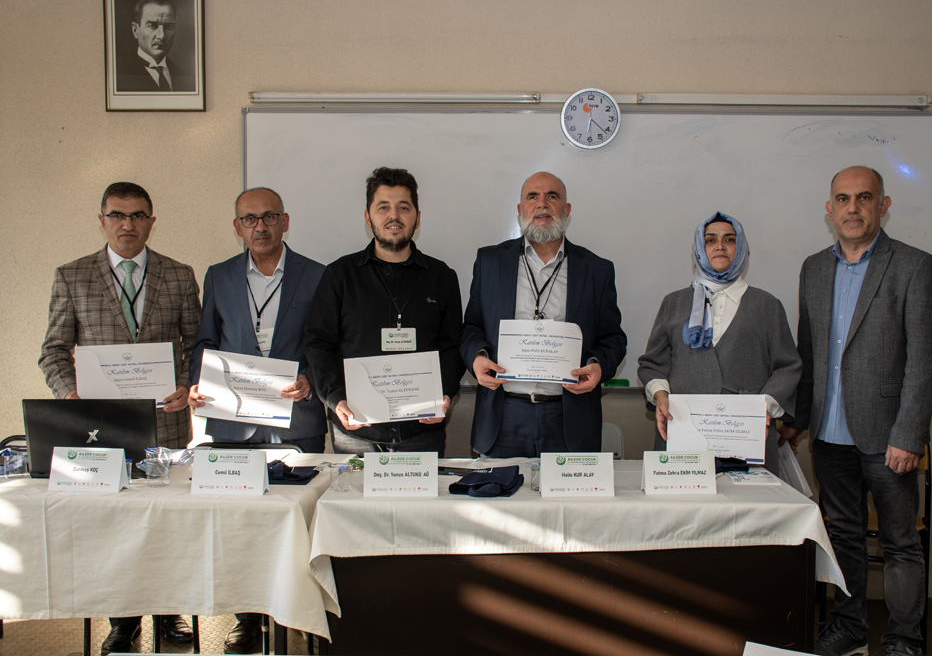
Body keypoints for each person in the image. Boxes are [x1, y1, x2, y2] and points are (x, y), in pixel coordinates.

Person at [780, 166, 932, 656]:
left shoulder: (914, 266)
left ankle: (903, 640)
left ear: (883, 205)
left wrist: (909, 435)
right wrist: (798, 420)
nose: (853, 208)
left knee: (899, 543)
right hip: (829, 436)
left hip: (888, 437)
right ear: (830, 209)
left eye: (864, 198)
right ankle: (850, 628)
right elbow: (809, 351)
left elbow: (925, 360)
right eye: (843, 199)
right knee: (843, 537)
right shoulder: (814, 268)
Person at [38, 181, 199, 655]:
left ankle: (169, 613)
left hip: (166, 422)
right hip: (100, 428)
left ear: (151, 221)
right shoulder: (72, 276)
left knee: (166, 522)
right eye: (117, 215)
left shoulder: (179, 275)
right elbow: (52, 351)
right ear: (102, 220)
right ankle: (123, 621)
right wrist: (71, 396)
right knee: (113, 527)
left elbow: (196, 345)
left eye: (138, 215)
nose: (128, 224)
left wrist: (185, 385)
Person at [187, 187, 327, 654]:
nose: (260, 226)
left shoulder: (317, 275)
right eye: (249, 219)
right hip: (233, 422)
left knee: (296, 524)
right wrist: (199, 383)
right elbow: (206, 342)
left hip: (297, 420)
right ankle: (247, 619)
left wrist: (309, 380)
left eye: (269, 217)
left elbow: (325, 344)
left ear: (285, 221)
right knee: (240, 525)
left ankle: (296, 612)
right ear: (237, 227)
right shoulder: (220, 275)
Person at [460, 171, 626, 457]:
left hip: (568, 418)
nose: (542, 203)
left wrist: (598, 366)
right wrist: (477, 359)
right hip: (503, 415)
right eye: (533, 197)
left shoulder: (597, 269)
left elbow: (613, 338)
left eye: (552, 196)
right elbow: (471, 328)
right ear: (520, 209)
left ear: (567, 209)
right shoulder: (490, 262)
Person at [304, 167, 464, 455]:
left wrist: (444, 393)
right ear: (368, 218)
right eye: (383, 207)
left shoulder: (442, 277)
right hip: (356, 430)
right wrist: (335, 398)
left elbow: (452, 346)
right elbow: (318, 342)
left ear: (417, 217)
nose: (394, 216)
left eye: (403, 207)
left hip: (421, 431)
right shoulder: (339, 275)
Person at [637, 212, 800, 473]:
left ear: (741, 248)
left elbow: (787, 367)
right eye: (710, 240)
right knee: (683, 499)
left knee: (750, 500)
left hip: (747, 436)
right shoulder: (674, 303)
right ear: (700, 250)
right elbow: (652, 365)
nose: (720, 246)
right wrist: (660, 395)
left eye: (730, 239)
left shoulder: (768, 305)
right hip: (682, 432)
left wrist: (765, 406)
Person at [116, 0, 196, 92]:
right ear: (135, 30)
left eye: (168, 27)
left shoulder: (188, 78)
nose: (161, 36)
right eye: (152, 26)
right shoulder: (118, 77)